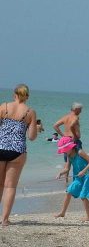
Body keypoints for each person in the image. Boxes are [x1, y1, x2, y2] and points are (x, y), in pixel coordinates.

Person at [0, 85, 38, 226]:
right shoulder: (30, 112)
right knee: (10, 187)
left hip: (0, 147)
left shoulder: (3, 107)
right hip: (17, 151)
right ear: (27, 96)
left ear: (14, 94)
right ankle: (4, 220)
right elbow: (32, 136)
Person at [55, 136, 89, 221]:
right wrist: (61, 173)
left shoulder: (80, 152)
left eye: (65, 150)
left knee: (83, 196)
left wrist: (83, 171)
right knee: (68, 192)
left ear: (71, 147)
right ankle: (63, 213)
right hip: (78, 178)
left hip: (88, 176)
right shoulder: (69, 156)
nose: (64, 152)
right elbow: (67, 168)